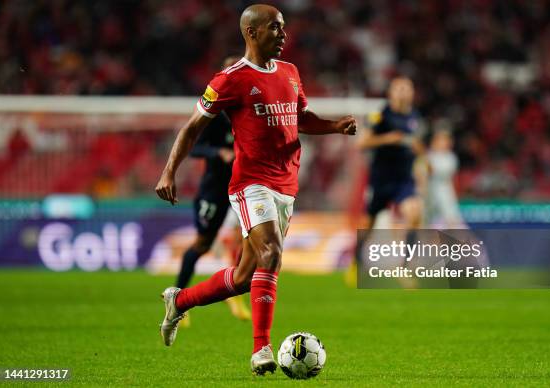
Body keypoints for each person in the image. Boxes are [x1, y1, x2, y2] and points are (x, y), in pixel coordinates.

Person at [155, 4, 356, 375]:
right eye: (275, 28)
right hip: (251, 183)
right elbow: (191, 128)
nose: (284, 35)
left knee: (247, 276)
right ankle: (261, 350)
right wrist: (169, 172)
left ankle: (179, 300)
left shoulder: (290, 72)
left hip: (286, 183)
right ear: (252, 32)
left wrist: (334, 126)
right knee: (272, 254)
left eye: (283, 28)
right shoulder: (230, 79)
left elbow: (300, 119)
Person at [174, 57, 250, 323]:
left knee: (246, 240)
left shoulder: (251, 108)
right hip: (215, 189)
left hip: (245, 186)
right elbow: (193, 146)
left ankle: (235, 296)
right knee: (203, 243)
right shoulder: (215, 113)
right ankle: (178, 297)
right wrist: (219, 152)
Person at [346, 77, 424, 286]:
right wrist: (389, 138)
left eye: (407, 88)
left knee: (414, 213)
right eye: (399, 88)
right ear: (390, 92)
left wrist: (420, 153)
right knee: (368, 225)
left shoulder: (415, 117)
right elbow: (362, 143)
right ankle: (355, 262)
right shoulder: (380, 115)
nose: (403, 92)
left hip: (404, 180)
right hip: (381, 180)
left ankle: (406, 268)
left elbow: (417, 146)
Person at [425, 128, 464, 228]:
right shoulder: (429, 155)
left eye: (445, 140)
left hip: (445, 195)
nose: (442, 143)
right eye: (439, 140)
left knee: (454, 225)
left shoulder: (451, 158)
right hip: (429, 196)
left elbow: (432, 170)